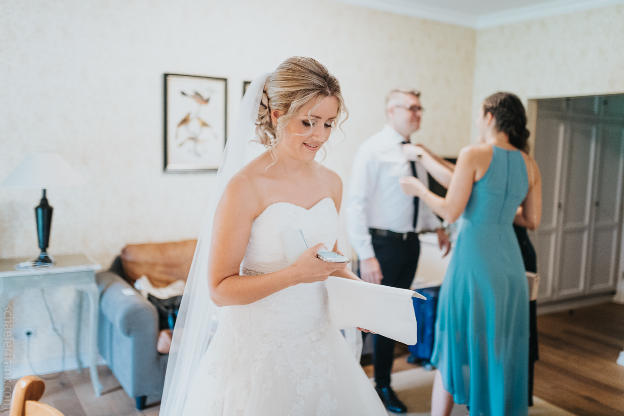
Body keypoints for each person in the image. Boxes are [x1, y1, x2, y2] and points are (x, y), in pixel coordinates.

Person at [160, 57, 388, 415]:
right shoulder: (245, 187)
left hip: (318, 342)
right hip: (259, 350)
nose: (320, 135)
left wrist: (362, 295)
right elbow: (219, 289)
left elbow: (332, 264)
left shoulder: (332, 183)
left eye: (328, 123)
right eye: (308, 122)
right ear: (278, 115)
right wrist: (295, 274)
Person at [399, 92, 542, 416]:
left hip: (474, 263)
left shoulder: (474, 153)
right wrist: (498, 208)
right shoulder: (529, 163)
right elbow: (532, 219)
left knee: (452, 344)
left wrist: (419, 190)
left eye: (479, 114)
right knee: (498, 347)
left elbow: (451, 210)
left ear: (490, 116)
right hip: (510, 267)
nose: (478, 121)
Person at [346, 88, 451, 413]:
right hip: (382, 246)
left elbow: (418, 199)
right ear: (392, 111)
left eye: (420, 108)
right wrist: (367, 255)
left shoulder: (415, 153)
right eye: (411, 108)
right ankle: (363, 386)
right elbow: (356, 205)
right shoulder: (372, 150)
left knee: (394, 318)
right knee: (373, 320)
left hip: (410, 245)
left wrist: (437, 226)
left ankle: (383, 383)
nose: (418, 113)